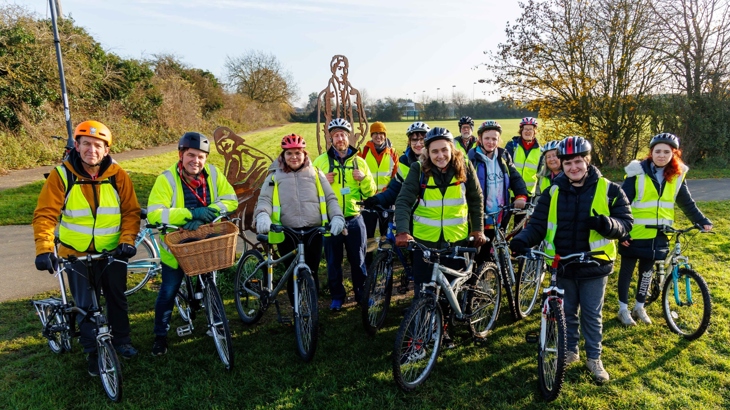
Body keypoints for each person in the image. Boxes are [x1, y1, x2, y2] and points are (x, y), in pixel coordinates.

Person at [509, 136, 632, 383]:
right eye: (568, 164)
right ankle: (571, 351)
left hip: (595, 264)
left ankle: (594, 359)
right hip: (562, 262)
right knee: (566, 313)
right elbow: (539, 225)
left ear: (587, 161)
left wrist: (607, 224)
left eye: (578, 162)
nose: (573, 168)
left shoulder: (609, 189)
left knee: (591, 314)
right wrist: (523, 239)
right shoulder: (552, 192)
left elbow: (626, 223)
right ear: (561, 165)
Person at [33, 120, 141, 376]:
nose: (92, 149)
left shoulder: (118, 175)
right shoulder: (62, 176)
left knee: (117, 298)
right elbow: (45, 215)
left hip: (112, 251)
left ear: (106, 150)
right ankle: (93, 352)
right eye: (86, 144)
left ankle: (122, 341)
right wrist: (44, 248)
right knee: (85, 305)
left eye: (98, 145)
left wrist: (127, 241)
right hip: (75, 254)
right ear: (77, 146)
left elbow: (131, 211)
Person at [147, 132, 239, 356]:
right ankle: (160, 335)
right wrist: (189, 214)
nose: (195, 161)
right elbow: (154, 214)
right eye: (190, 155)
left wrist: (208, 213)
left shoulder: (214, 174)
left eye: (200, 156)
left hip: (206, 242)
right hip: (177, 248)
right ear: (181, 155)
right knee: (168, 291)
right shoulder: (166, 179)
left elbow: (231, 200)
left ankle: (214, 320)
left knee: (210, 283)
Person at [395, 127, 486, 348]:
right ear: (427, 152)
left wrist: (478, 229)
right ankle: (421, 333)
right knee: (423, 291)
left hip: (456, 240)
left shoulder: (464, 167)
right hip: (425, 241)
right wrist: (403, 231)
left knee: (449, 291)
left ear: (451, 149)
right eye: (434, 151)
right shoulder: (418, 170)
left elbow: (475, 199)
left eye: (444, 150)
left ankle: (443, 330)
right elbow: (404, 202)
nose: (440, 155)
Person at [616, 133, 712, 326]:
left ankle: (639, 306)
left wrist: (702, 220)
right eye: (657, 151)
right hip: (634, 233)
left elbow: (686, 202)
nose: (661, 155)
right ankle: (623, 309)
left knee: (647, 273)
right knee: (627, 271)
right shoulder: (637, 173)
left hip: (659, 234)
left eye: (666, 152)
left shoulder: (676, 176)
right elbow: (621, 203)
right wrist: (621, 231)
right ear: (651, 153)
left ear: (674, 153)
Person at [254, 134, 346, 299]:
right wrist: (262, 216)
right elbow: (265, 200)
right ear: (283, 155)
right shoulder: (274, 175)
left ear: (305, 154)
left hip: (313, 231)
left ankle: (312, 311)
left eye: (298, 153)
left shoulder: (316, 173)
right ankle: (295, 310)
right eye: (289, 153)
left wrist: (338, 217)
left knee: (312, 271)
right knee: (292, 272)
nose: (294, 157)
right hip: (286, 231)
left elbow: (331, 198)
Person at [312, 118, 376, 311]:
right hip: (331, 220)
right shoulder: (320, 162)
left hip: (355, 218)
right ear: (331, 138)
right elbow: (310, 192)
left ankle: (361, 294)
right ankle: (337, 297)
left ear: (349, 137)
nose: (340, 138)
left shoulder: (360, 162)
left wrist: (363, 179)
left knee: (358, 260)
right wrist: (322, 183)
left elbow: (371, 192)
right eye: (336, 135)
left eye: (343, 135)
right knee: (333, 262)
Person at [467, 120, 529, 264]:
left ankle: (484, 274)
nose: (491, 142)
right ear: (480, 139)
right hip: (479, 214)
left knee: (489, 248)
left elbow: (515, 177)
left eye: (494, 138)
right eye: (487, 138)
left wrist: (520, 196)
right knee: (474, 252)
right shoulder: (471, 158)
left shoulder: (503, 156)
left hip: (500, 212)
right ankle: (473, 279)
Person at [362, 121, 430, 209]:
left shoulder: (436, 161)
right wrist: (377, 199)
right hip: (411, 212)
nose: (418, 144)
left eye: (422, 140)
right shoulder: (405, 161)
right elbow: (395, 189)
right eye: (414, 140)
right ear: (409, 142)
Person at [359, 121, 399, 266]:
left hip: (386, 199)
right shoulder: (363, 152)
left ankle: (385, 261)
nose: (378, 137)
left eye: (381, 134)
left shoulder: (393, 152)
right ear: (371, 135)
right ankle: (369, 263)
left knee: (385, 233)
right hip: (369, 199)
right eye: (375, 133)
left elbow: (396, 175)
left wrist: (389, 192)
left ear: (385, 135)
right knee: (368, 234)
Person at [505, 117, 542, 196]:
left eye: (530, 129)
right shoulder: (512, 145)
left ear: (534, 131)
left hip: (530, 193)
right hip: (512, 192)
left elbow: (541, 173)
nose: (527, 131)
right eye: (525, 129)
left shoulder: (540, 150)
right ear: (521, 131)